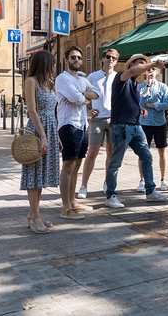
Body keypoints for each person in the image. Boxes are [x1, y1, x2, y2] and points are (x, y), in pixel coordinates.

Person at [104, 54, 168, 207]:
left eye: (144, 64)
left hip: (135, 125)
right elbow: (134, 71)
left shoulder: (133, 83)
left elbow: (125, 101)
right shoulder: (122, 76)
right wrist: (153, 63)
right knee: (116, 163)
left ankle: (151, 191)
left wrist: (139, 109)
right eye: (140, 63)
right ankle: (110, 195)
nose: (143, 66)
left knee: (146, 156)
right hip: (121, 126)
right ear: (132, 64)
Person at [55, 46, 99, 220]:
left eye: (79, 58)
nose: (77, 60)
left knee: (77, 165)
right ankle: (65, 207)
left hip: (82, 125)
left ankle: (73, 202)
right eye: (73, 57)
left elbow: (96, 94)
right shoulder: (62, 79)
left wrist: (82, 95)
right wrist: (83, 97)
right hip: (68, 126)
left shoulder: (82, 79)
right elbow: (77, 99)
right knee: (67, 166)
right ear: (66, 60)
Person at [20, 51, 60, 234]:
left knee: (41, 175)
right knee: (34, 175)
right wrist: (43, 136)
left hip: (50, 129)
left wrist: (56, 135)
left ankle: (33, 214)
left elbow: (53, 112)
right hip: (37, 130)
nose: (54, 66)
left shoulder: (48, 83)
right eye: (51, 63)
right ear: (44, 64)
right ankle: (35, 216)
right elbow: (32, 111)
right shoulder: (31, 81)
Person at [78, 49, 119, 199]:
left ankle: (108, 183)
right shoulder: (93, 77)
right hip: (97, 119)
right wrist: (89, 108)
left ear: (116, 61)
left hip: (114, 119)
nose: (110, 60)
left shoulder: (118, 77)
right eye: (108, 57)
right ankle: (83, 186)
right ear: (102, 59)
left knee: (111, 152)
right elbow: (82, 93)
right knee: (92, 152)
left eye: (114, 58)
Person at [138, 64, 168, 191]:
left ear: (157, 71)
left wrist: (153, 105)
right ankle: (142, 180)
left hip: (159, 123)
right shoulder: (140, 86)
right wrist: (147, 85)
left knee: (162, 151)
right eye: (148, 69)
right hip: (144, 123)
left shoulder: (163, 87)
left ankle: (163, 179)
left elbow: (167, 104)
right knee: (143, 152)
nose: (150, 71)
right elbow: (140, 103)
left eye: (152, 69)